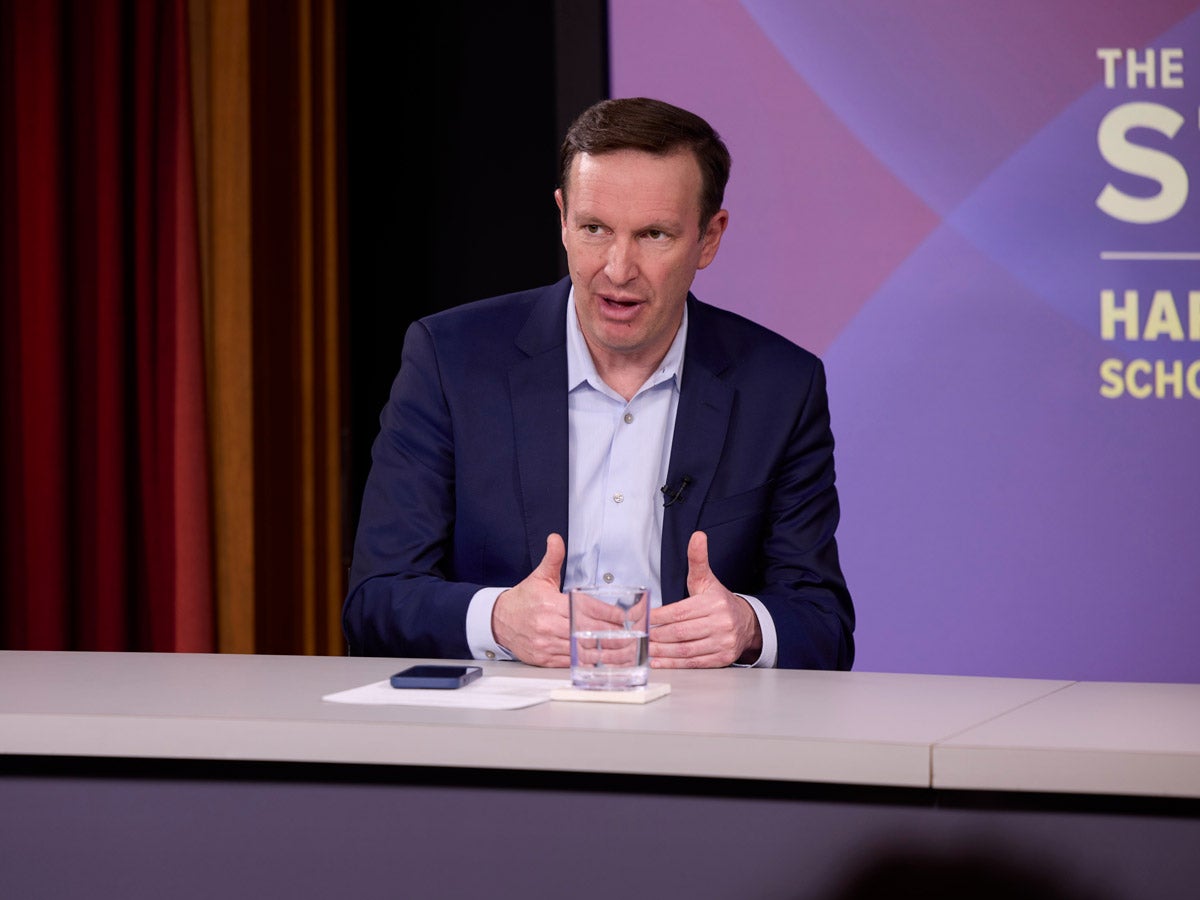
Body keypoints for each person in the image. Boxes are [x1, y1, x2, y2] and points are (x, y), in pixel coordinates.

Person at [344, 97, 854, 669]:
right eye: (594, 228)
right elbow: (374, 603)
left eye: (654, 235)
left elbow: (824, 626)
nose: (617, 269)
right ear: (562, 218)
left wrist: (747, 627)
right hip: (504, 737)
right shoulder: (450, 361)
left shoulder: (780, 387)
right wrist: (497, 619)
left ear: (710, 238)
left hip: (699, 734)